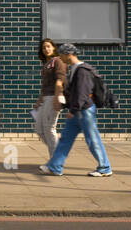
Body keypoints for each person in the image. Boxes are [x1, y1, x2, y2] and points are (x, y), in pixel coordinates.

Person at [39, 44, 112, 177]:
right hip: (78, 110)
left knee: (92, 139)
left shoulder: (82, 70)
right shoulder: (74, 69)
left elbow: (82, 94)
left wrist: (73, 110)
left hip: (85, 111)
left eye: (61, 55)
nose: (61, 58)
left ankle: (105, 167)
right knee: (65, 139)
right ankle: (55, 167)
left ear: (69, 54)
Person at [33, 38, 67, 156]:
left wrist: (58, 98)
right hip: (46, 98)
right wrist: (39, 101)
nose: (46, 49)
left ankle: (55, 160)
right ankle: (57, 153)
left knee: (49, 128)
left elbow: (61, 79)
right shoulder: (47, 64)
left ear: (53, 47)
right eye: (43, 48)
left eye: (48, 46)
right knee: (39, 129)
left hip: (54, 97)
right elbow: (44, 86)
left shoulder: (57, 61)